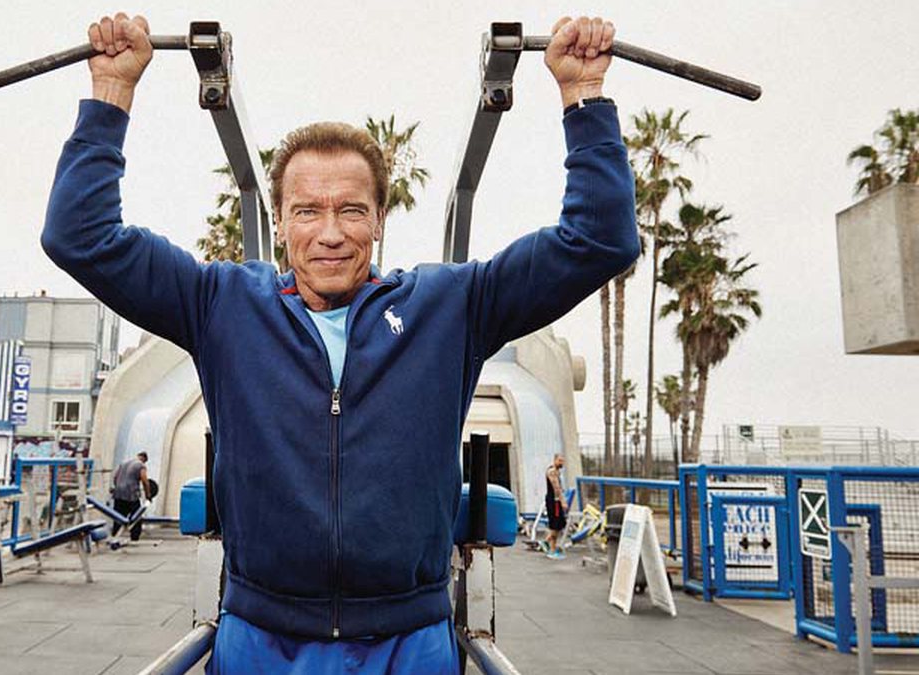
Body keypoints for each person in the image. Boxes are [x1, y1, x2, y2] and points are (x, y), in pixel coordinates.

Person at [42, 12, 636, 673]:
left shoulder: (451, 306)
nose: (330, 232)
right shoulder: (219, 304)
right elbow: (80, 236)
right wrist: (110, 91)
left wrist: (584, 98)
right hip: (261, 639)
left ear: (379, 218)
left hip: (407, 643)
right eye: (308, 210)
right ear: (280, 221)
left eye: (351, 210)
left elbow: (599, 241)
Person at [112, 451, 151, 541]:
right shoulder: (141, 465)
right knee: (136, 516)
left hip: (118, 493)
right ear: (144, 459)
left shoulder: (123, 463)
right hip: (131, 494)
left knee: (118, 515)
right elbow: (145, 481)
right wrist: (148, 495)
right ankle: (135, 536)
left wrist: (117, 487)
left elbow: (115, 477)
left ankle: (115, 535)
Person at [542, 454, 569, 559]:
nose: (561, 463)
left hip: (556, 501)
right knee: (555, 525)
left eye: (563, 461)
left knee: (560, 523)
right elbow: (556, 488)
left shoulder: (557, 472)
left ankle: (546, 542)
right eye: (559, 460)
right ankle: (552, 550)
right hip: (554, 501)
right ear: (554, 460)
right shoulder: (552, 471)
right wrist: (563, 501)